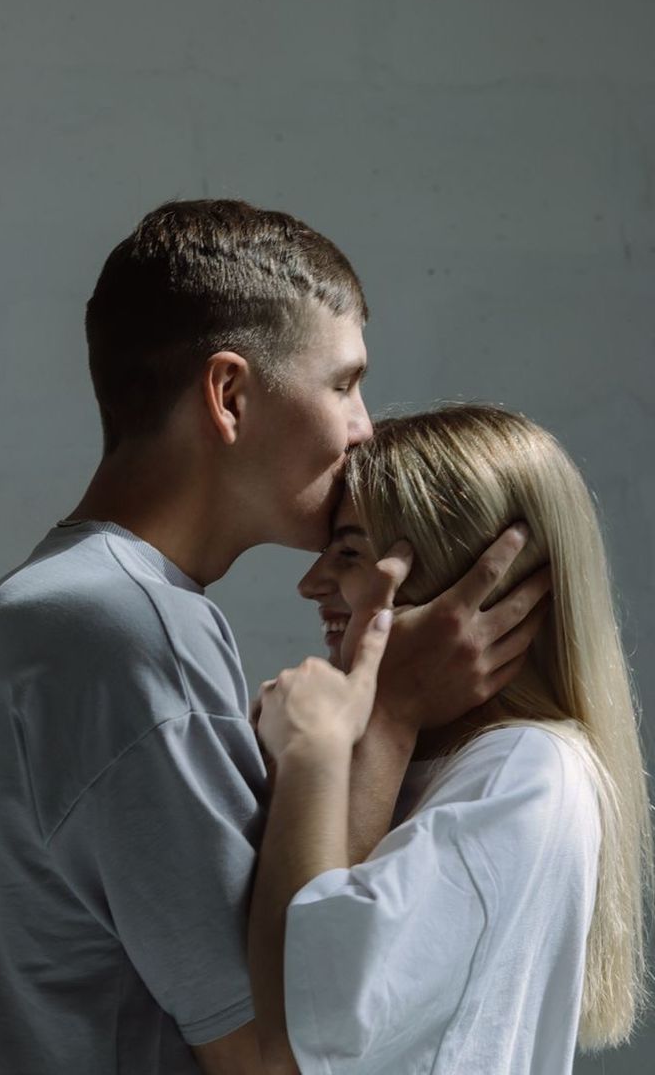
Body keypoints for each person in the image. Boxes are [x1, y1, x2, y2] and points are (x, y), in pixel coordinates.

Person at [0, 203, 548, 1075]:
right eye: (343, 384)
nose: (366, 426)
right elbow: (278, 1050)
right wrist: (393, 714)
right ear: (229, 396)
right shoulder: (130, 629)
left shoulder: (50, 601)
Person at [249, 404, 655, 1075]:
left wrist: (350, 735)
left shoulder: (530, 771)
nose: (310, 582)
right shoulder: (423, 755)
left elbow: (307, 1031)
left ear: (460, 578)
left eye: (349, 553)